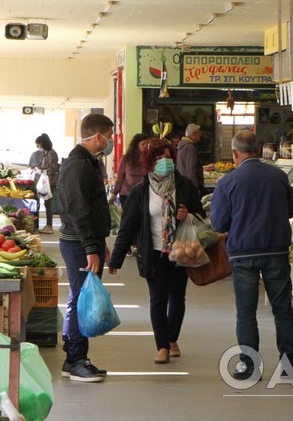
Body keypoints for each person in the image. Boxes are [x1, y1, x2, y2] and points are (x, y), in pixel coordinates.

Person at [210, 130, 293, 381]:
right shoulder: (278, 175)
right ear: (257, 150)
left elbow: (219, 224)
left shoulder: (228, 182)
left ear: (235, 153)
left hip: (242, 254)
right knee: (283, 310)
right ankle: (290, 364)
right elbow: (290, 210)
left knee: (246, 312)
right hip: (276, 250)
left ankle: (248, 365)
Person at [108, 138, 204, 364]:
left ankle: (172, 339)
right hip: (153, 252)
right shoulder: (141, 191)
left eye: (169, 158)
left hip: (181, 250)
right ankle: (162, 346)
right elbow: (128, 226)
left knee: (177, 297)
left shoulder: (185, 186)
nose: (165, 162)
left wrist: (187, 214)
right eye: (160, 158)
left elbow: (201, 215)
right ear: (151, 162)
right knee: (158, 298)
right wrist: (116, 258)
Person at [57, 113, 114, 383]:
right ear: (98, 136)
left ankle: (73, 358)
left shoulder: (87, 163)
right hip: (78, 244)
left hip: (86, 243)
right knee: (83, 301)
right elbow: (78, 211)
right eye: (110, 136)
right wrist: (91, 246)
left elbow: (92, 209)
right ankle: (78, 360)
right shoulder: (78, 166)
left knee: (79, 298)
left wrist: (100, 243)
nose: (111, 141)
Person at [33, 133, 59, 234]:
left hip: (50, 181)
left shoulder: (52, 153)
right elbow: (43, 165)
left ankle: (49, 225)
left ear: (43, 143)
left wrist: (42, 170)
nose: (38, 147)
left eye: (38, 145)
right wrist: (37, 167)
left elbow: (53, 168)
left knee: (48, 203)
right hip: (46, 181)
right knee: (46, 203)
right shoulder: (45, 153)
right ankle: (48, 225)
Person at [176, 123, 205, 196]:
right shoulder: (190, 148)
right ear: (194, 135)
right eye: (199, 134)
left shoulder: (182, 145)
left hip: (183, 183)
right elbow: (191, 169)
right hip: (189, 185)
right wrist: (195, 188)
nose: (200, 136)